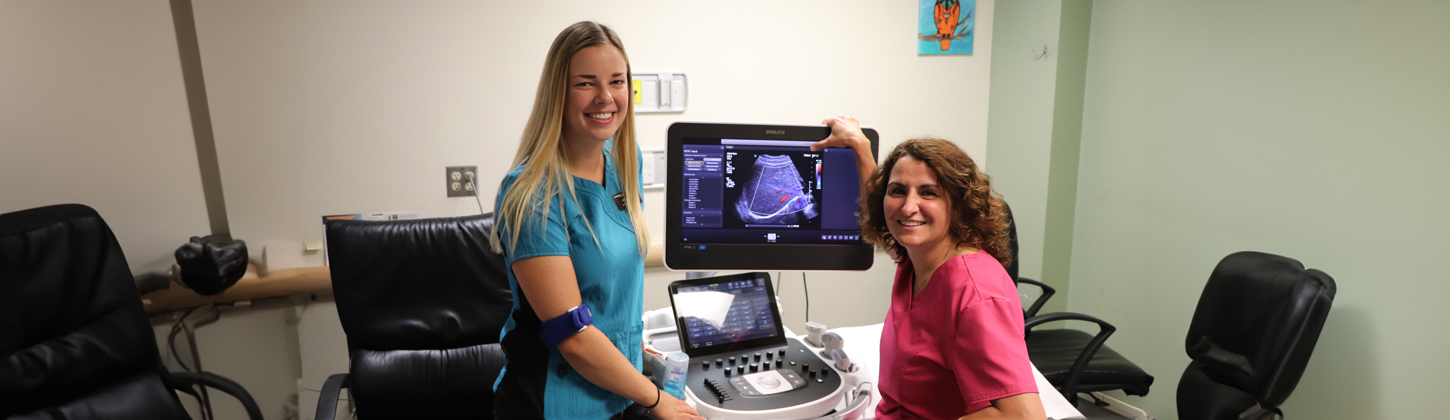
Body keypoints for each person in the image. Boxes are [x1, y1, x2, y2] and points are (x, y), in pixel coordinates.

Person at [489, 21, 702, 420]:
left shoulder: (625, 159)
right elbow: (571, 335)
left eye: (617, 82)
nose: (605, 97)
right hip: (556, 400)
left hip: (619, 386)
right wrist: (657, 400)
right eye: (585, 83)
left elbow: (613, 289)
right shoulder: (531, 193)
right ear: (558, 94)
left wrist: (636, 353)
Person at [812, 117, 1046, 420]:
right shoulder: (919, 256)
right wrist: (860, 145)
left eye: (929, 193)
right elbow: (888, 212)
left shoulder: (976, 296)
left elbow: (1023, 417)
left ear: (958, 204)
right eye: (897, 191)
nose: (908, 207)